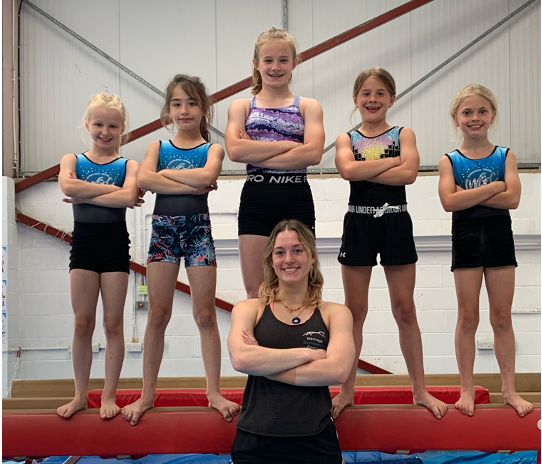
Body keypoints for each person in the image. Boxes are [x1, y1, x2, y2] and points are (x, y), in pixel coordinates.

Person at [121, 74, 240, 426]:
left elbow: (207, 177)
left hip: (197, 231)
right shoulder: (158, 148)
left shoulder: (212, 149)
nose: (184, 110)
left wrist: (170, 179)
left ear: (204, 109)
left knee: (205, 315)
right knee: (158, 314)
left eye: (191, 103)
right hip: (163, 232)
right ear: (168, 110)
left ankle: (213, 392)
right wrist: (192, 182)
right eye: (177, 103)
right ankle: (147, 395)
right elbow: (143, 179)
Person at [332, 67, 447, 420]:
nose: (372, 99)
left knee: (405, 309)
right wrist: (392, 161)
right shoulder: (346, 139)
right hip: (359, 221)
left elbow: (409, 175)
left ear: (392, 98)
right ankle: (347, 390)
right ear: (355, 99)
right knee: (355, 313)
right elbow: (348, 172)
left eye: (380, 93)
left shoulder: (403, 133)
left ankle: (419, 389)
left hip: (395, 219)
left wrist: (376, 166)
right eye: (366, 93)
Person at [438, 84, 533, 418]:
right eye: (467, 112)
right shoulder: (449, 160)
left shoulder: (505, 155)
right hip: (465, 235)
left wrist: (472, 193)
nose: (474, 118)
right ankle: (467, 388)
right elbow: (449, 201)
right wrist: (495, 186)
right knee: (468, 316)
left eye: (481, 111)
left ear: (492, 116)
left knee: (502, 316)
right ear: (456, 118)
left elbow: (513, 199)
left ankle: (509, 388)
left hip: (498, 234)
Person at [228, 219, 355, 464]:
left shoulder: (335, 313)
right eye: (280, 252)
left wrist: (265, 366)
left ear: (312, 256)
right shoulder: (249, 309)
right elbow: (242, 358)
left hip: (315, 440)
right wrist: (307, 354)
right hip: (255, 439)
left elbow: (337, 371)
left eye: (297, 250)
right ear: (271, 260)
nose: (289, 259)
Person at [58, 93, 142, 419]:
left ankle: (108, 395)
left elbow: (131, 194)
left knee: (112, 323)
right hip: (84, 245)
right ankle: (80, 395)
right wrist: (116, 194)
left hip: (114, 246)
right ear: (88, 124)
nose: (105, 131)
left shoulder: (128, 165)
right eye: (98, 124)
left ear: (122, 129)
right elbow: (68, 188)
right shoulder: (73, 160)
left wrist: (86, 190)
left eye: (112, 125)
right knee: (82, 323)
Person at [225, 27, 325, 299]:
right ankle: (257, 344)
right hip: (257, 198)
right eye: (268, 60)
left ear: (295, 62)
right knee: (257, 291)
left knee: (301, 289)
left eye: (283, 60)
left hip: (296, 197)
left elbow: (313, 154)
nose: (275, 67)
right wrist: (289, 146)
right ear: (256, 64)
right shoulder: (242, 107)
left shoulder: (308, 106)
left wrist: (255, 149)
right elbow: (234, 151)